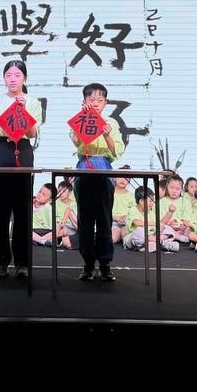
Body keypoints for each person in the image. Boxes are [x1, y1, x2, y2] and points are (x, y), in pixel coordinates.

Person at [0, 60, 42, 281]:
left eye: (17, 75)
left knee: (22, 210)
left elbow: (33, 133)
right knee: (1, 210)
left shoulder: (33, 102)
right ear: (4, 78)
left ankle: (22, 263)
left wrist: (23, 109)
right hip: (0, 149)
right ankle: (0, 262)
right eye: (8, 75)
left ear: (24, 78)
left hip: (23, 149)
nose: (12, 79)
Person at [69, 82, 125, 282]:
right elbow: (75, 141)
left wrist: (107, 134)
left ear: (105, 103)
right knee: (85, 219)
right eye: (91, 99)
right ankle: (88, 264)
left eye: (100, 100)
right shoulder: (80, 118)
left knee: (104, 218)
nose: (95, 103)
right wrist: (84, 117)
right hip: (84, 165)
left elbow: (116, 151)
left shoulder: (111, 123)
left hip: (103, 166)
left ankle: (105, 263)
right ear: (84, 101)